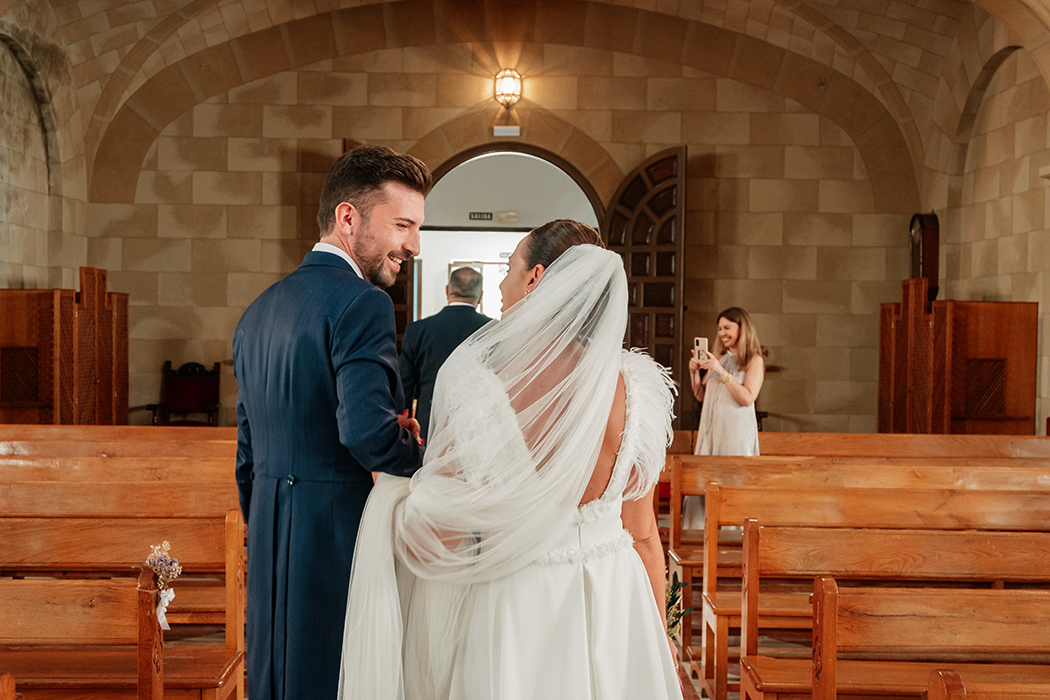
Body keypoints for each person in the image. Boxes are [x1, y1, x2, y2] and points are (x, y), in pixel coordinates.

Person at [339, 220, 683, 700]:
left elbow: (439, 541)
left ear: (535, 278)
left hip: (520, 608)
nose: (501, 285)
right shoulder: (636, 389)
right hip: (618, 603)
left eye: (509, 267)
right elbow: (643, 536)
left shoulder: (480, 384)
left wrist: (393, 484)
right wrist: (661, 636)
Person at [233, 144, 430, 700]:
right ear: (348, 218)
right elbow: (367, 434)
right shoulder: (363, 303)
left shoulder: (259, 310)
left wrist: (267, 520)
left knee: (274, 680)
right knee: (331, 677)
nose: (413, 245)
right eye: (402, 225)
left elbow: (247, 452)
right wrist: (420, 456)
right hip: (335, 532)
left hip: (270, 529)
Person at [681, 306, 765, 529]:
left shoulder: (753, 360)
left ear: (742, 328)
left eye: (727, 328)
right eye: (719, 328)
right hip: (711, 430)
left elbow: (747, 398)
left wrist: (720, 371)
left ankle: (734, 536)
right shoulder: (718, 358)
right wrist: (694, 373)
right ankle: (698, 535)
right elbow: (701, 396)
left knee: (731, 483)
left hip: (734, 434)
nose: (722, 333)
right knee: (704, 482)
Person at [399, 266, 494, 441]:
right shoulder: (494, 329)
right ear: (480, 296)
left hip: (429, 424)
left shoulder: (417, 330)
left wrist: (403, 428)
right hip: (478, 427)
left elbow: (404, 385)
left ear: (447, 290)